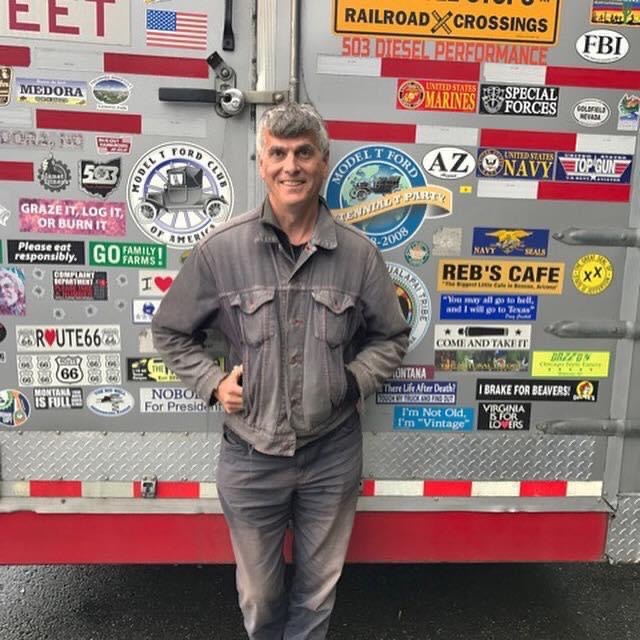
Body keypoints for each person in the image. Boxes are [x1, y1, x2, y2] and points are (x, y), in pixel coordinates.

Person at [152, 102, 410, 640]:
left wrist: (353, 380)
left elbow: (390, 337)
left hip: (331, 452)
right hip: (250, 456)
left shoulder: (359, 256)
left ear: (323, 162)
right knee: (260, 594)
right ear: (262, 163)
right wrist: (212, 382)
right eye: (278, 153)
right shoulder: (222, 251)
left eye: (303, 153)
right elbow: (170, 331)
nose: (291, 166)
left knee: (317, 592)